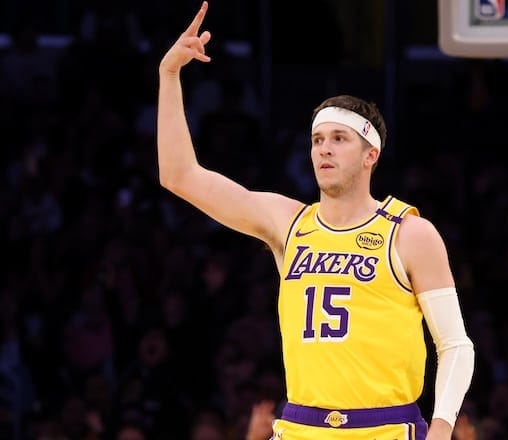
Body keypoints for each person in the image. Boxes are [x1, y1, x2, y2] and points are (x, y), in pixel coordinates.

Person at [157, 2, 475, 438]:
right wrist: (169, 75)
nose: (324, 148)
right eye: (317, 139)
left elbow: (456, 345)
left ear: (370, 155)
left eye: (339, 139)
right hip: (300, 426)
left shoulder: (409, 233)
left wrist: (440, 429)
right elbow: (179, 176)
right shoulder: (288, 222)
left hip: (385, 428)